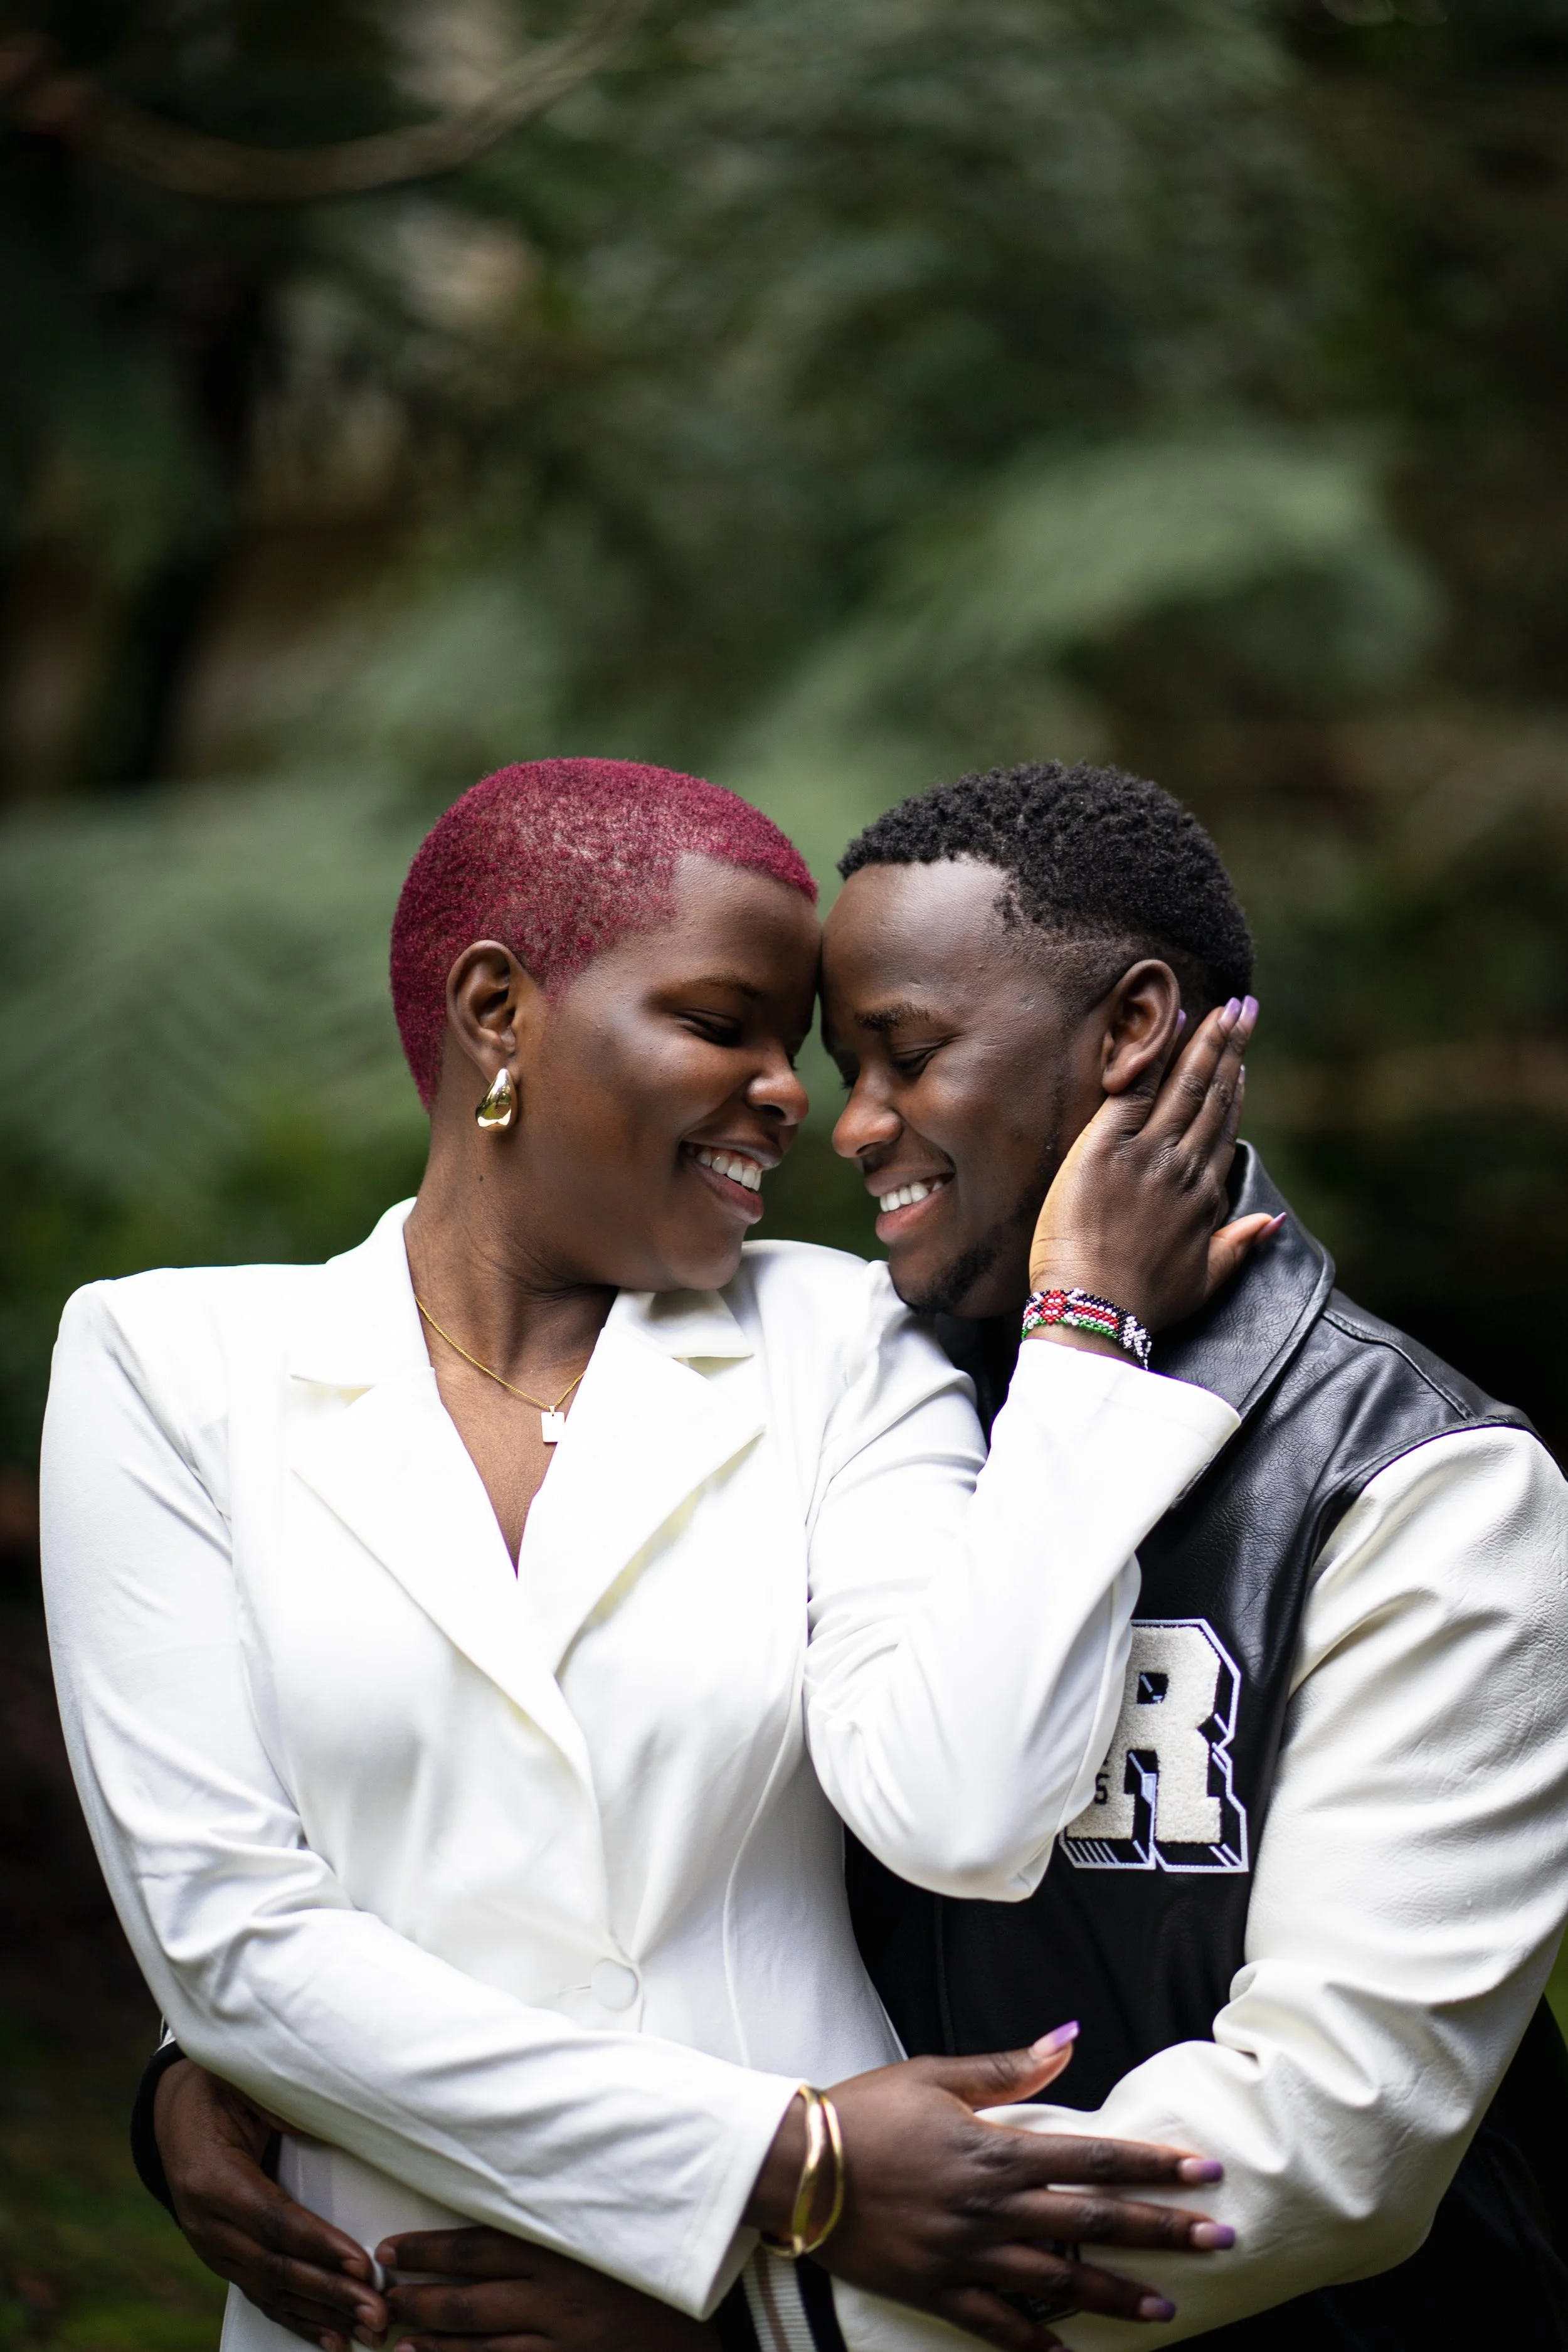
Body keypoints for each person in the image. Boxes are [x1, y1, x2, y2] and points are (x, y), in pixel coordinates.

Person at [144, 760, 1568, 2352]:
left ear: (1130, 1033)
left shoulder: (1426, 1494)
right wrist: (224, 2062)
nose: (849, 1121)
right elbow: (579, 1785)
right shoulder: (853, 1375)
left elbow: (1335, 2131)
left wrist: (764, 2294)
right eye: (842, 1063)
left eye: (907, 1056)